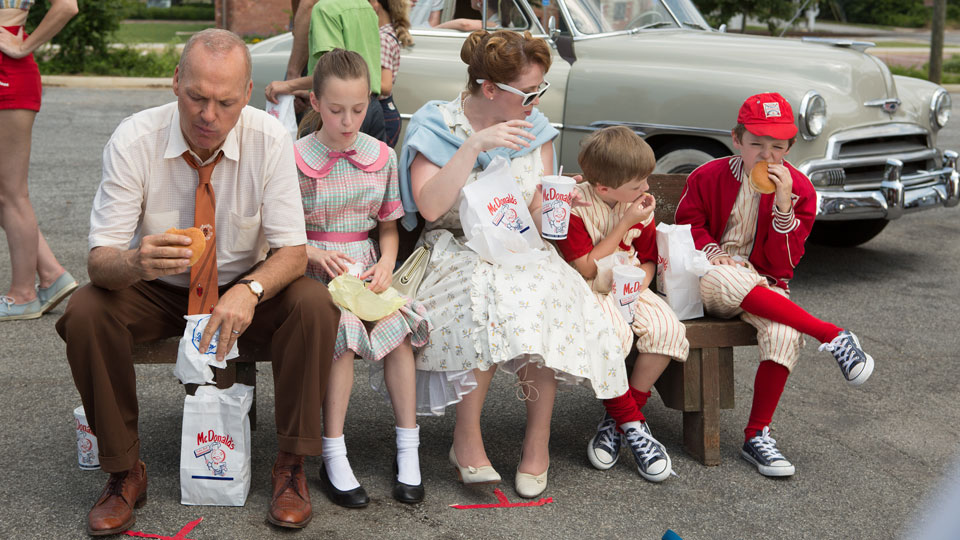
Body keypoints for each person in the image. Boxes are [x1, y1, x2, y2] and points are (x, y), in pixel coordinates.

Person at [55, 29, 339, 534]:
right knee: (85, 310)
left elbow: (293, 251)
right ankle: (124, 473)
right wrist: (136, 262)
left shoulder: (269, 136)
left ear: (248, 93)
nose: (209, 116)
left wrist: (250, 290)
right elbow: (100, 261)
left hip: (244, 286)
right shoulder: (134, 138)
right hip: (158, 286)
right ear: (175, 82)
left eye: (226, 102)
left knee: (314, 305)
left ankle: (291, 466)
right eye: (197, 97)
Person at [399, 30, 629, 499]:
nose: (537, 101)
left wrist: (552, 207)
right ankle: (466, 440)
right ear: (489, 89)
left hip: (521, 247)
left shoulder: (536, 129)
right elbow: (428, 208)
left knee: (542, 294)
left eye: (541, 90)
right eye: (530, 93)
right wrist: (474, 147)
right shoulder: (437, 125)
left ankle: (537, 441)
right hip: (454, 248)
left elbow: (536, 210)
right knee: (487, 294)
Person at [674, 92, 876, 478]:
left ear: (790, 146)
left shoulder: (800, 190)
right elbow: (688, 227)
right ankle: (831, 334)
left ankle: (756, 435)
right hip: (709, 279)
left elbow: (783, 265)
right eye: (756, 145)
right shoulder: (708, 175)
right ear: (737, 139)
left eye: (777, 147)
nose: (767, 156)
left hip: (764, 287)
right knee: (727, 274)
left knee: (784, 333)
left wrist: (784, 206)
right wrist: (713, 250)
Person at [295, 48, 430, 507]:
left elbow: (388, 227)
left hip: (366, 266)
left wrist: (388, 263)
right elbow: (281, 233)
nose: (348, 120)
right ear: (315, 103)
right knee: (344, 336)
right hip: (315, 269)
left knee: (399, 331)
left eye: (358, 109)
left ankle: (407, 449)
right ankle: (333, 451)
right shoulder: (295, 157)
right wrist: (313, 252)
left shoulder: (383, 156)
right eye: (336, 110)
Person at [555, 126, 689, 482]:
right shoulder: (576, 207)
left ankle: (615, 422)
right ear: (604, 188)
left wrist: (640, 283)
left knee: (666, 328)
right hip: (587, 288)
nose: (645, 189)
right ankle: (634, 427)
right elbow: (585, 266)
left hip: (628, 283)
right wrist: (625, 223)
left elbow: (646, 259)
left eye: (646, 180)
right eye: (637, 184)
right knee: (609, 335)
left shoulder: (638, 204)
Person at [0, 0, 78, 320]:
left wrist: (24, 47)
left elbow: (67, 6)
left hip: (7, 75)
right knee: (5, 191)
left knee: (10, 193)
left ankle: (23, 295)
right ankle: (50, 274)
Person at [266, 0, 385, 142]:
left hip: (339, 112)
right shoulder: (367, 7)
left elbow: (331, 72)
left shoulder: (325, 9)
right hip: (369, 107)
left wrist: (289, 85)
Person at [370, 0, 413, 146]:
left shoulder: (382, 38)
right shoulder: (387, 34)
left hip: (382, 113)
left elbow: (385, 85)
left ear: (375, 4)